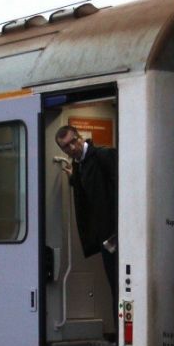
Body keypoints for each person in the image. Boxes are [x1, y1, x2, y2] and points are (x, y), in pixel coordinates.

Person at [54, 125, 119, 304]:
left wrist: (117, 233)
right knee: (114, 285)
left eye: (73, 142)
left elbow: (120, 191)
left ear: (80, 137)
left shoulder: (102, 155)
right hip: (105, 238)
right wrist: (75, 179)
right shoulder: (79, 165)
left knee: (119, 286)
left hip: (115, 236)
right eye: (66, 147)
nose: (71, 148)